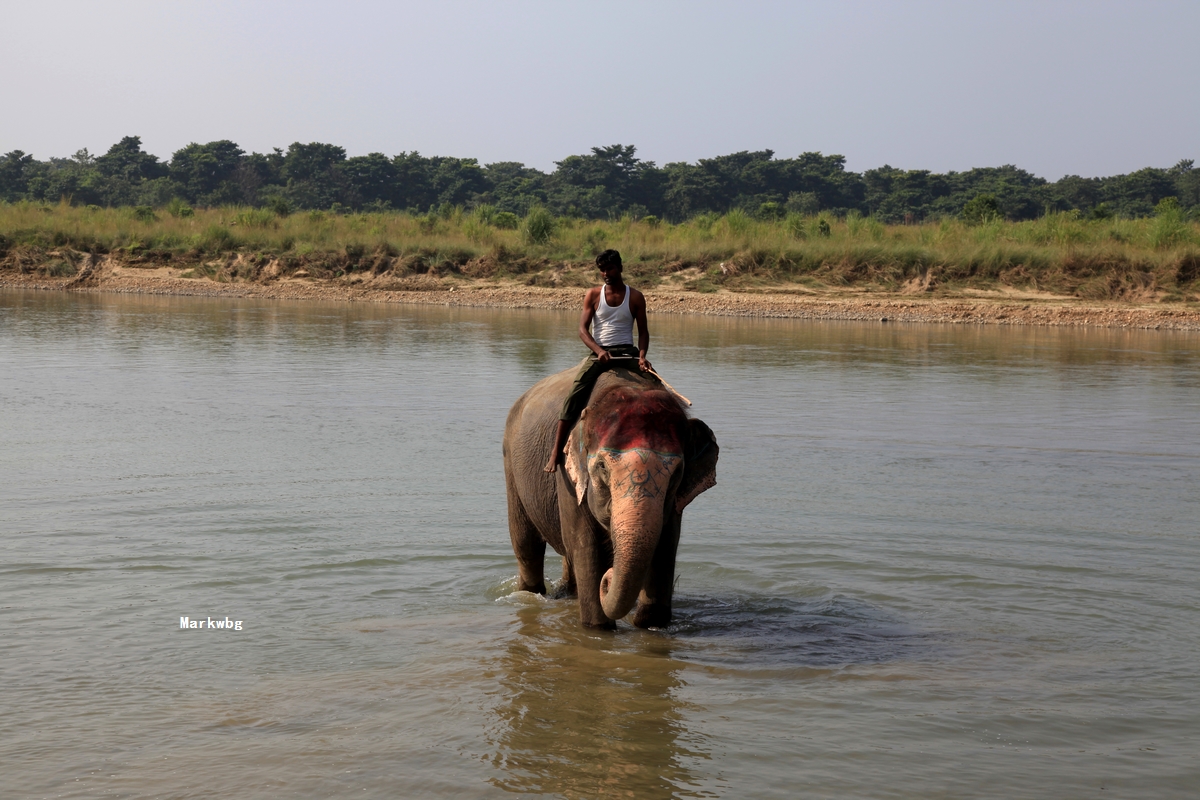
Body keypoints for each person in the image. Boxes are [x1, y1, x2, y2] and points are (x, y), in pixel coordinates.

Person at [543, 249, 652, 473]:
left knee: (657, 389)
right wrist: (598, 350)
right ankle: (555, 452)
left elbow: (643, 332)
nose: (605, 273)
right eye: (602, 270)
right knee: (574, 396)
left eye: (610, 268)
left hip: (627, 354)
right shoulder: (593, 295)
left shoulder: (635, 296)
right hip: (600, 354)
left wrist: (642, 356)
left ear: (620, 268)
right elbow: (583, 330)